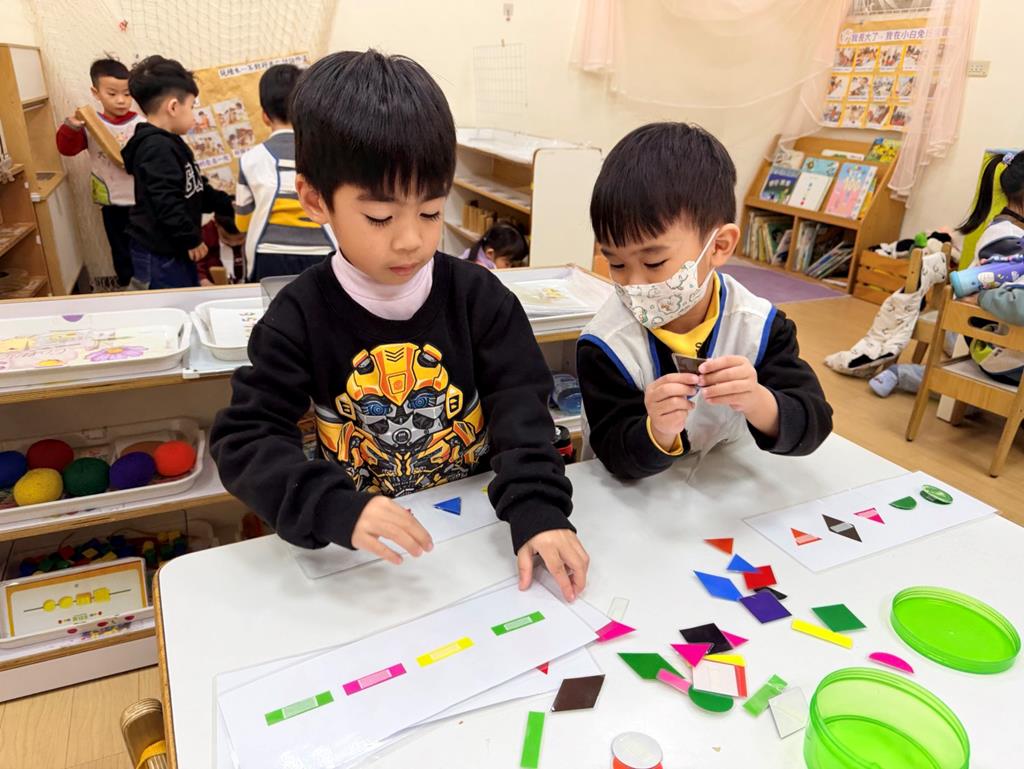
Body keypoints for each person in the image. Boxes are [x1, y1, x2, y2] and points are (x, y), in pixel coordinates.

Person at [210, 51, 588, 601]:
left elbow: (521, 410)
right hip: (367, 559)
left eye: (431, 212)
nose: (411, 240)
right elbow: (246, 438)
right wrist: (331, 506)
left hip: (479, 539)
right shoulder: (297, 318)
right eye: (380, 217)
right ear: (315, 200)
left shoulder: (480, 298)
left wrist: (540, 510)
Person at [576, 122, 833, 479]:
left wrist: (757, 400)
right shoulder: (606, 343)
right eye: (616, 264)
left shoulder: (758, 326)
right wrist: (657, 431)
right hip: (634, 493)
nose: (634, 284)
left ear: (719, 246)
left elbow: (814, 423)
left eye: (654, 262)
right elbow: (613, 452)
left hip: (725, 486)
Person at [121, 55, 234, 289]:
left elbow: (193, 189)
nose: (194, 115)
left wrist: (227, 203)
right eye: (192, 107)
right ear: (173, 107)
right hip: (159, 255)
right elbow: (166, 200)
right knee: (166, 303)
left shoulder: (170, 142)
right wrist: (191, 238)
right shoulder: (156, 148)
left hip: (175, 248)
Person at [235, 64, 334, 280]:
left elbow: (242, 222)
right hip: (324, 253)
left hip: (267, 257)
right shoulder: (329, 156)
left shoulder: (249, 160)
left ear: (264, 116)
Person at [55, 58, 146, 286]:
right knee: (121, 250)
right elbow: (67, 149)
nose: (121, 100)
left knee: (146, 248)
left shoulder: (142, 123)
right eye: (112, 94)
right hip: (111, 201)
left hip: (143, 200)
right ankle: (127, 287)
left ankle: (150, 287)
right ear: (95, 93)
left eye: (127, 94)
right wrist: (71, 127)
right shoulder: (91, 124)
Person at [196, 215, 247, 285]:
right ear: (216, 223)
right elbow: (197, 263)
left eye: (240, 239)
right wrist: (202, 279)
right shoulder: (205, 234)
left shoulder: (253, 230)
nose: (233, 243)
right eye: (226, 238)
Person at [458, 220, 528, 269]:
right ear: (490, 253)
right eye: (507, 264)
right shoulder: (482, 271)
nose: (509, 268)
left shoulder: (475, 251)